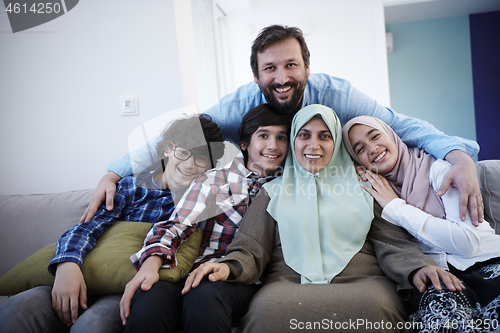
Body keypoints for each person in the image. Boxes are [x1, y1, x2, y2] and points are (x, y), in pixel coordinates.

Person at [80, 24, 483, 228]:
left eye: (291, 65)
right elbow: (184, 133)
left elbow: (400, 125)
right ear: (256, 77)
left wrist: (459, 155)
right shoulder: (240, 104)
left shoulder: (337, 96)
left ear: (307, 67)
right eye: (269, 68)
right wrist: (115, 171)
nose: (281, 77)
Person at [183, 104, 464, 333]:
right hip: (287, 285)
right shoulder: (271, 192)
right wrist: (229, 268)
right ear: (293, 141)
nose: (313, 144)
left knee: (376, 308)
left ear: (337, 142)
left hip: (365, 284)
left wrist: (418, 268)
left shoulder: (366, 186)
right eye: (304, 135)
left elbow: (392, 243)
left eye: (324, 136)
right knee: (266, 310)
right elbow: (250, 248)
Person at [0, 114, 224, 333]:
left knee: (93, 325)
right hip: (85, 271)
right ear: (167, 149)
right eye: (183, 152)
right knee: (17, 309)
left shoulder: (199, 199)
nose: (190, 164)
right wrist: (68, 263)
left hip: (125, 287)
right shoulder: (129, 187)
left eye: (201, 158)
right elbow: (89, 226)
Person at [118, 104, 290, 333]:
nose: (273, 145)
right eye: (264, 135)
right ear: (245, 144)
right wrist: (150, 265)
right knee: (151, 295)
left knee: (206, 294)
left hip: (236, 279)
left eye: (282, 138)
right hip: (190, 270)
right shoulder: (215, 180)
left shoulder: (290, 187)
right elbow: (179, 223)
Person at [342, 116, 500, 332]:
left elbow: (467, 243)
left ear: (393, 136)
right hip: (440, 277)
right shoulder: (377, 190)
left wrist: (397, 208)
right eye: (360, 149)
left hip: (486, 262)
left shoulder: (438, 169)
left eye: (375, 136)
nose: (372, 148)